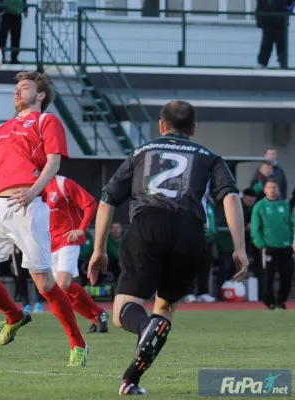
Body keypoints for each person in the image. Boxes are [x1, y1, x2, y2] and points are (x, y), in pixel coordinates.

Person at [87, 100, 248, 395]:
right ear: (193, 129)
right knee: (164, 309)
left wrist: (98, 249)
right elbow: (231, 197)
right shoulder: (210, 157)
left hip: (149, 224)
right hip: (191, 234)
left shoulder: (141, 152)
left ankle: (144, 328)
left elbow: (108, 198)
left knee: (125, 307)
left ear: (161, 126)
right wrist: (239, 247)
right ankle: (130, 380)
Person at [0, 71, 89, 367]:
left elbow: (54, 162)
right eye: (16, 87)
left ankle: (78, 343)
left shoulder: (45, 121)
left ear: (40, 96)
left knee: (44, 283)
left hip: (28, 206)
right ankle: (14, 315)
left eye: (25, 87)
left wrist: (33, 191)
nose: (18, 91)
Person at [45, 175, 108, 333]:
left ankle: (98, 313)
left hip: (68, 239)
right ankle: (97, 317)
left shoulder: (61, 183)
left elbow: (90, 203)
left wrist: (81, 228)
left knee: (63, 284)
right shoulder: (32, 187)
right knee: (60, 292)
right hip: (48, 245)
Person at [250, 178, 294, 310]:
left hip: (285, 247)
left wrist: (292, 240)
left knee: (287, 275)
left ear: (278, 189)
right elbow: (255, 228)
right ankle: (269, 302)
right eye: (269, 187)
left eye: (274, 187)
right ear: (264, 190)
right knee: (268, 277)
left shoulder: (285, 205)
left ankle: (281, 301)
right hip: (268, 247)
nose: (272, 190)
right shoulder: (259, 206)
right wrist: (260, 244)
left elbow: (292, 224)